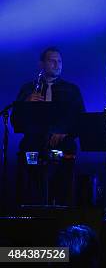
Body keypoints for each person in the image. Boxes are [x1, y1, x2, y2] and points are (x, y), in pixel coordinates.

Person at [13, 47, 85, 205]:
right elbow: (15, 122)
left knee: (61, 188)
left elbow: (80, 120)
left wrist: (65, 133)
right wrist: (25, 104)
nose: (56, 64)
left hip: (62, 147)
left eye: (59, 61)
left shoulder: (71, 90)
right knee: (30, 187)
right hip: (33, 147)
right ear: (41, 64)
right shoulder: (28, 88)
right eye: (52, 60)